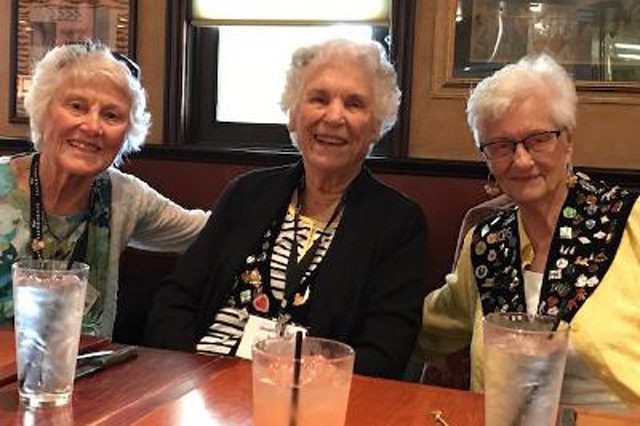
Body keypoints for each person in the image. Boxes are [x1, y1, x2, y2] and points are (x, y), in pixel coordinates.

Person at [145, 39, 428, 379]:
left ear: (376, 126)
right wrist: (189, 375)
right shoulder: (247, 193)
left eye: (354, 104)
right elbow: (175, 298)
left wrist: (298, 385)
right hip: (202, 382)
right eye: (318, 99)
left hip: (307, 399)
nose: (334, 116)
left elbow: (385, 352)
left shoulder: (399, 223)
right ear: (294, 115)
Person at [418, 54, 640, 411]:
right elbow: (431, 326)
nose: (521, 160)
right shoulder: (486, 244)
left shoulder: (630, 221)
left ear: (567, 140)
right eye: (501, 146)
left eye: (538, 139)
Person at [0, 42, 209, 336]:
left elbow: (205, 231)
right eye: (76, 106)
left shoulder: (124, 196)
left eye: (111, 115)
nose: (93, 126)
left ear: (127, 134)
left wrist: (285, 201)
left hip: (86, 376)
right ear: (43, 112)